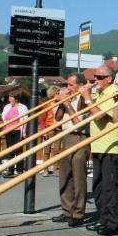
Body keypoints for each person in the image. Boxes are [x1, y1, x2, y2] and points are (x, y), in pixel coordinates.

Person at [79, 65, 118, 236]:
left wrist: (88, 98)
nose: (95, 80)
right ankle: (103, 218)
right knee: (97, 186)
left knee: (109, 187)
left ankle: (112, 223)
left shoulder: (113, 93)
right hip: (98, 144)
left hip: (110, 145)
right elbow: (86, 111)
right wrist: (85, 96)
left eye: (98, 77)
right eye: (94, 77)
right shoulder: (99, 93)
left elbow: (99, 115)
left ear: (109, 79)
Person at [52, 74, 90, 227]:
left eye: (71, 85)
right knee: (65, 175)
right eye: (67, 85)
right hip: (67, 137)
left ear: (81, 85)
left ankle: (78, 213)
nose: (68, 88)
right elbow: (58, 119)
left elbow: (79, 123)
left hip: (80, 137)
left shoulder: (84, 99)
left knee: (78, 178)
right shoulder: (69, 98)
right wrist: (61, 104)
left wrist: (67, 104)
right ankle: (67, 210)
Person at [0, 92, 28, 177]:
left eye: (11, 98)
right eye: (9, 97)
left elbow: (25, 119)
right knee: (10, 151)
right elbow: (4, 118)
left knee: (19, 150)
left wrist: (24, 131)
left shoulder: (23, 107)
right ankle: (10, 169)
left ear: (16, 99)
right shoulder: (7, 107)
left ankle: (19, 169)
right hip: (8, 130)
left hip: (18, 130)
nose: (9, 99)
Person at [39, 86, 60, 176]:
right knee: (47, 150)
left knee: (56, 150)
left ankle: (56, 169)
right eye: (57, 93)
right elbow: (42, 119)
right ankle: (45, 169)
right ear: (53, 94)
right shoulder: (47, 105)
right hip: (49, 128)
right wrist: (43, 131)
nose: (59, 95)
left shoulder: (61, 104)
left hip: (59, 128)